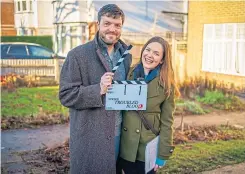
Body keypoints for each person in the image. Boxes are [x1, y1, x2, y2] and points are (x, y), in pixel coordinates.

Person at [59, 4, 132, 174]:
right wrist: (97, 89)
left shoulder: (126, 56)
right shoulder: (77, 55)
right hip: (90, 139)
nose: (112, 29)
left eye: (117, 25)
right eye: (107, 23)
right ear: (98, 24)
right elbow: (66, 95)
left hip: (118, 134)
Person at [118, 36, 179, 174]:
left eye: (156, 53)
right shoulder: (128, 73)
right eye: (148, 50)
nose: (150, 55)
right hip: (124, 146)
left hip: (146, 149)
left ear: (162, 59)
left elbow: (167, 122)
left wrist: (162, 154)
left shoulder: (166, 84)